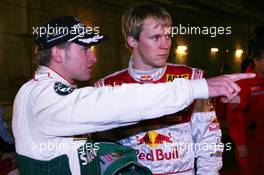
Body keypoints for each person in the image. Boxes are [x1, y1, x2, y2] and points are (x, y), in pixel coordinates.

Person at [12, 16, 254, 175]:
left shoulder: (42, 90)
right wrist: (195, 88)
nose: (93, 57)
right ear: (58, 53)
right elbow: (115, 103)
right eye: (85, 49)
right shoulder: (45, 96)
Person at [95, 3, 222, 174]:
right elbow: (103, 147)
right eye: (156, 37)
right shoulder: (108, 87)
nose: (165, 45)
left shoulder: (191, 79)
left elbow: (210, 139)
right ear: (132, 41)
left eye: (168, 36)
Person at [227, 25, 264, 175]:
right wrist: (240, 143)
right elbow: (234, 114)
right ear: (255, 59)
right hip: (252, 148)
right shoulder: (241, 85)